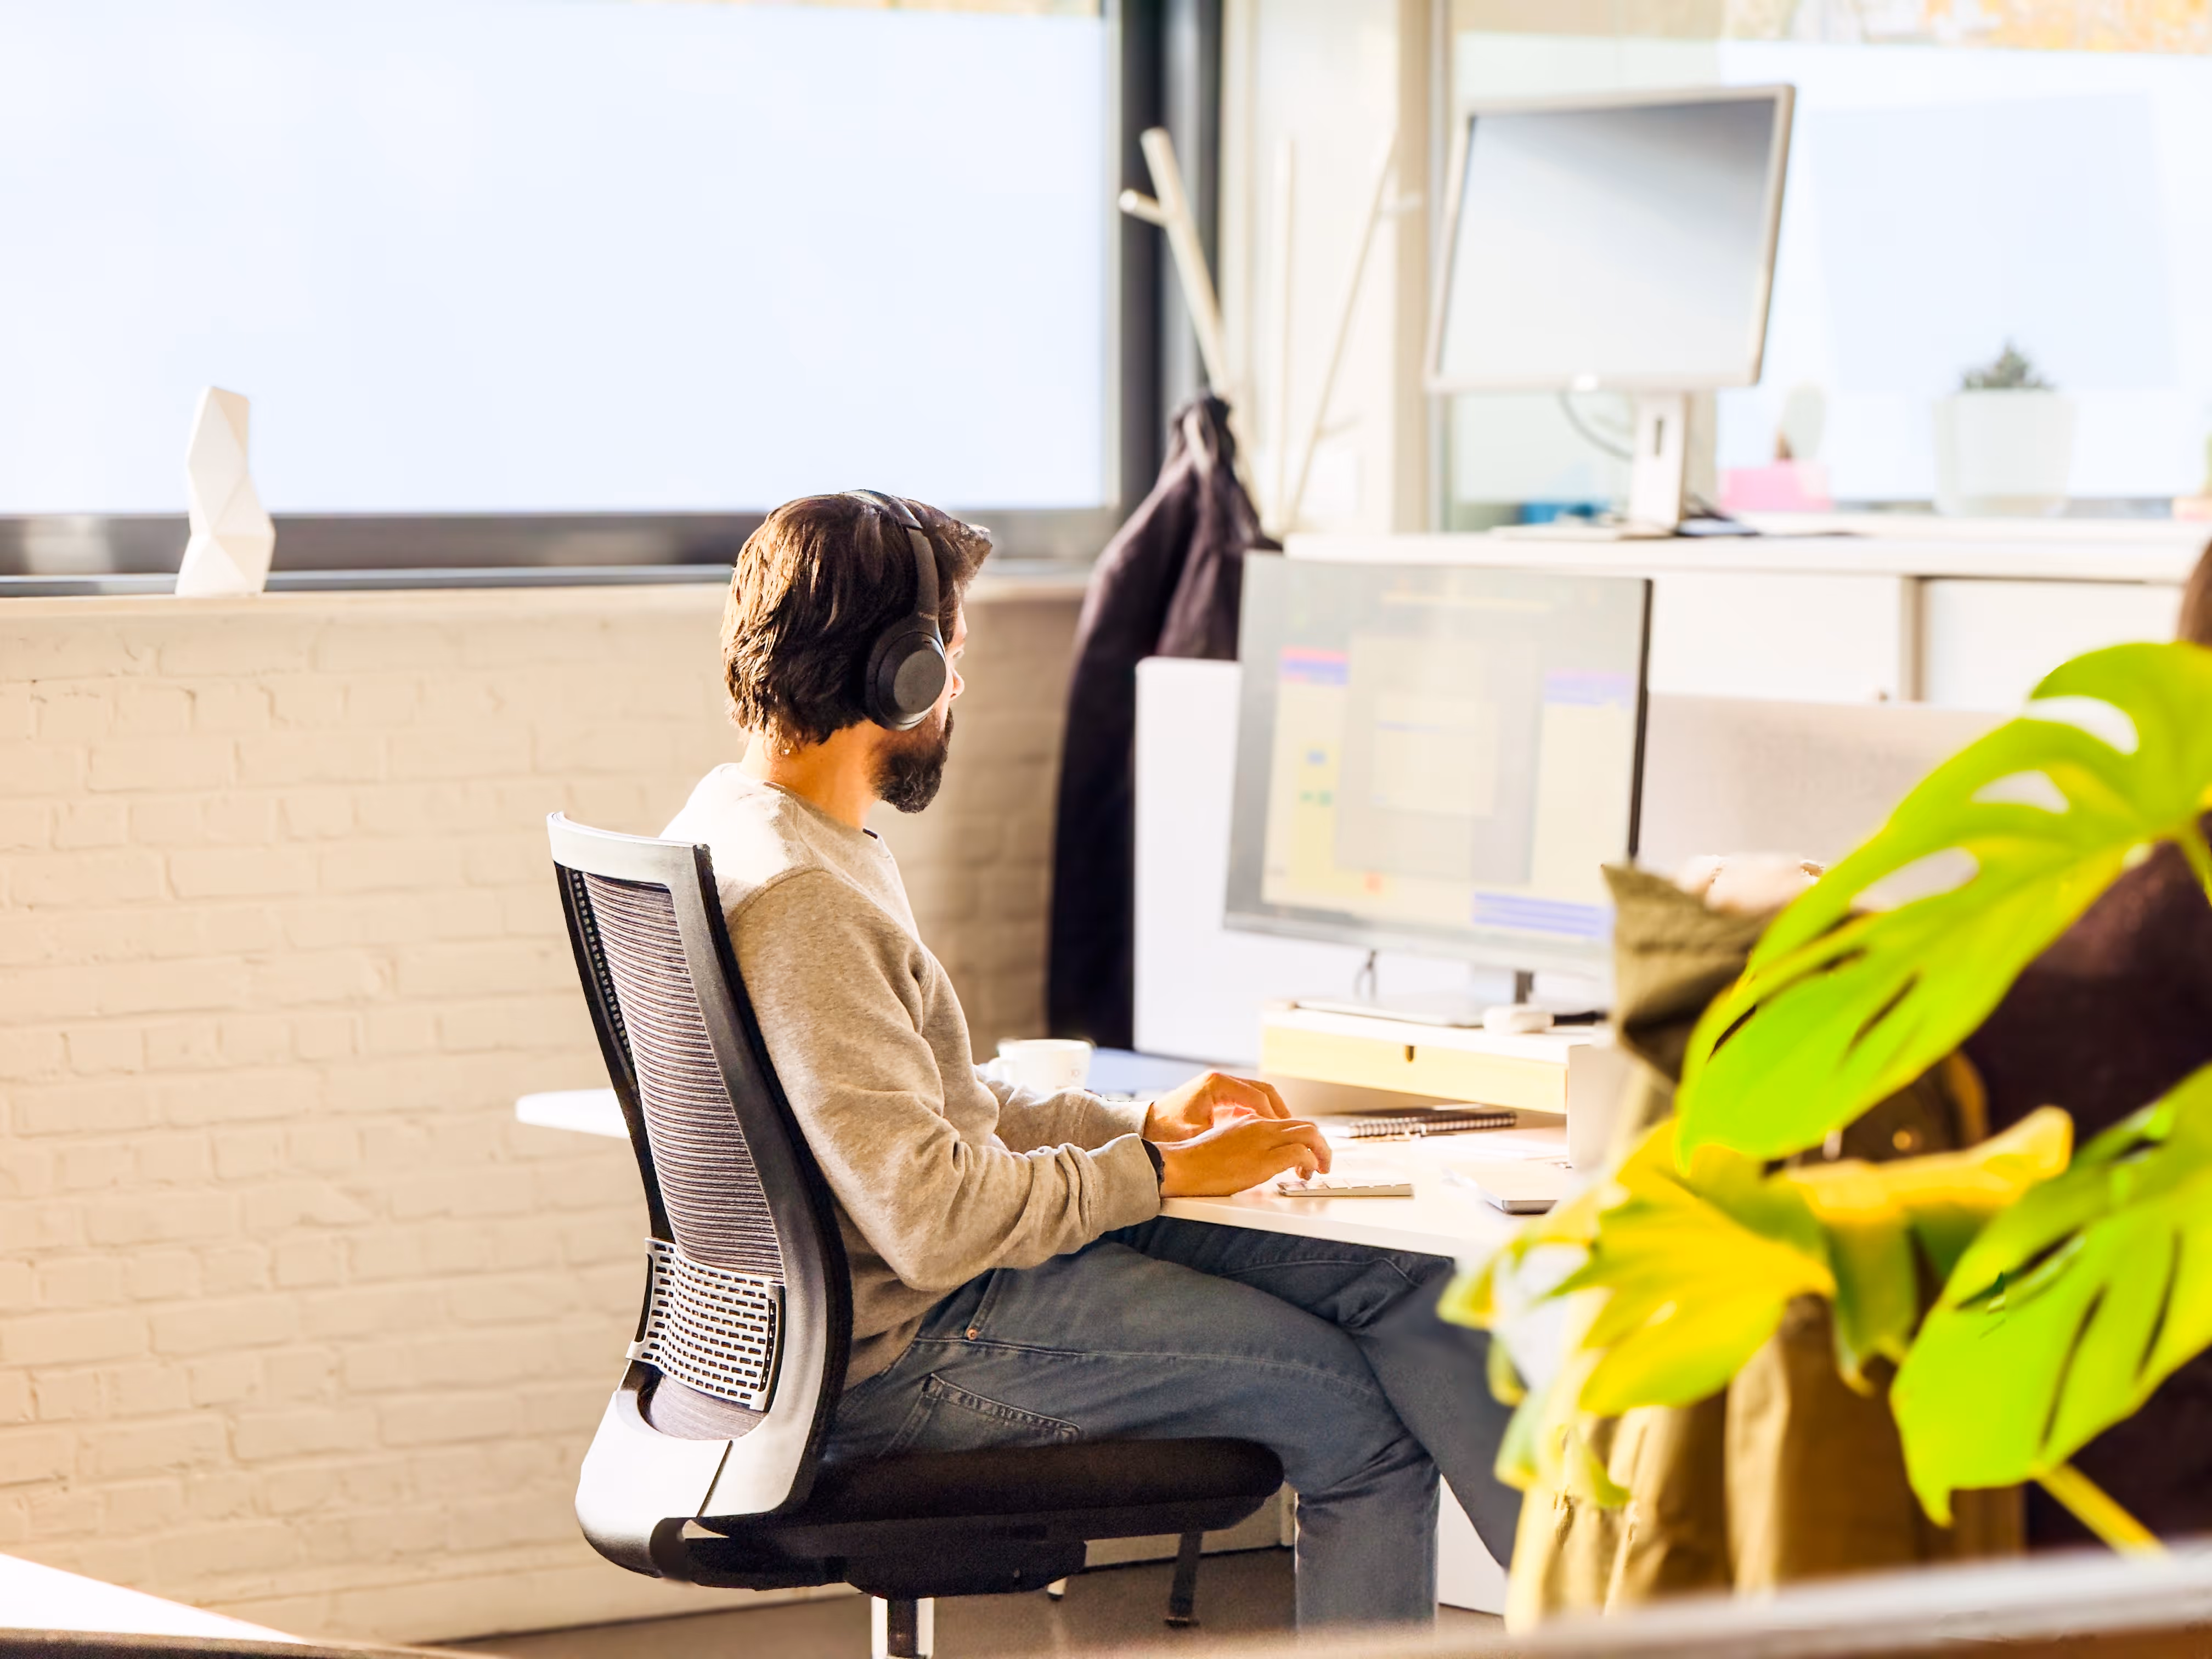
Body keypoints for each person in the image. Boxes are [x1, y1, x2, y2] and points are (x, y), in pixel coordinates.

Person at [662, 492, 1519, 1629]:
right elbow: (929, 1215)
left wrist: (1145, 1126)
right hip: (913, 1352)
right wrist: (1155, 1182)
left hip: (907, 1301)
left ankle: (1628, 1617)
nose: (956, 693)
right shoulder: (808, 898)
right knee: (1357, 1421)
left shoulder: (753, 827)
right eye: (951, 663)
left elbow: (938, 1110)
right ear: (902, 677)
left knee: (1402, 1280)